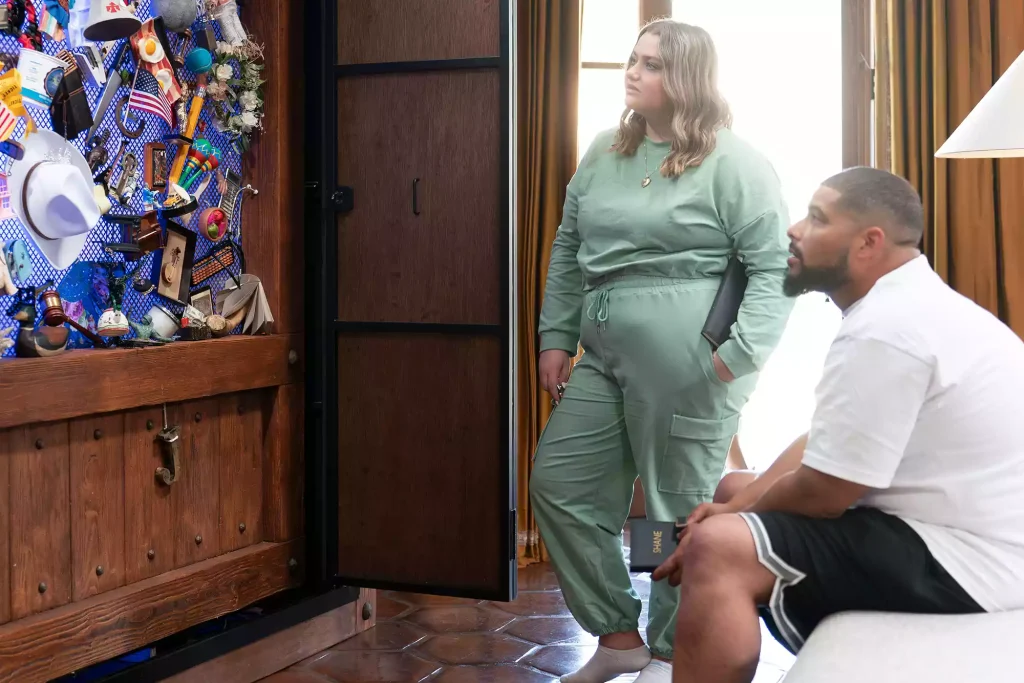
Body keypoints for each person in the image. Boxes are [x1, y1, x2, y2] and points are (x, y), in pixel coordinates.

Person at [654, 166, 1024, 683]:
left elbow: (826, 491)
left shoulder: (886, 330)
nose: (794, 230)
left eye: (817, 218)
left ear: (868, 243)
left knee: (719, 548)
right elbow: (821, 443)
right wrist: (737, 503)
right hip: (958, 531)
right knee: (736, 486)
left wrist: (723, 524)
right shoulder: (909, 306)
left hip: (975, 565)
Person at [529, 19, 794, 683]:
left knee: (672, 513)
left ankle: (672, 650)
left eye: (650, 64)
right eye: (632, 59)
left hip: (692, 363)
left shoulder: (734, 162)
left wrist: (740, 353)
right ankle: (618, 634)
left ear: (685, 78)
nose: (633, 72)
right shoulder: (603, 152)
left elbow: (775, 266)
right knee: (559, 486)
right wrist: (556, 335)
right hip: (604, 353)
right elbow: (567, 248)